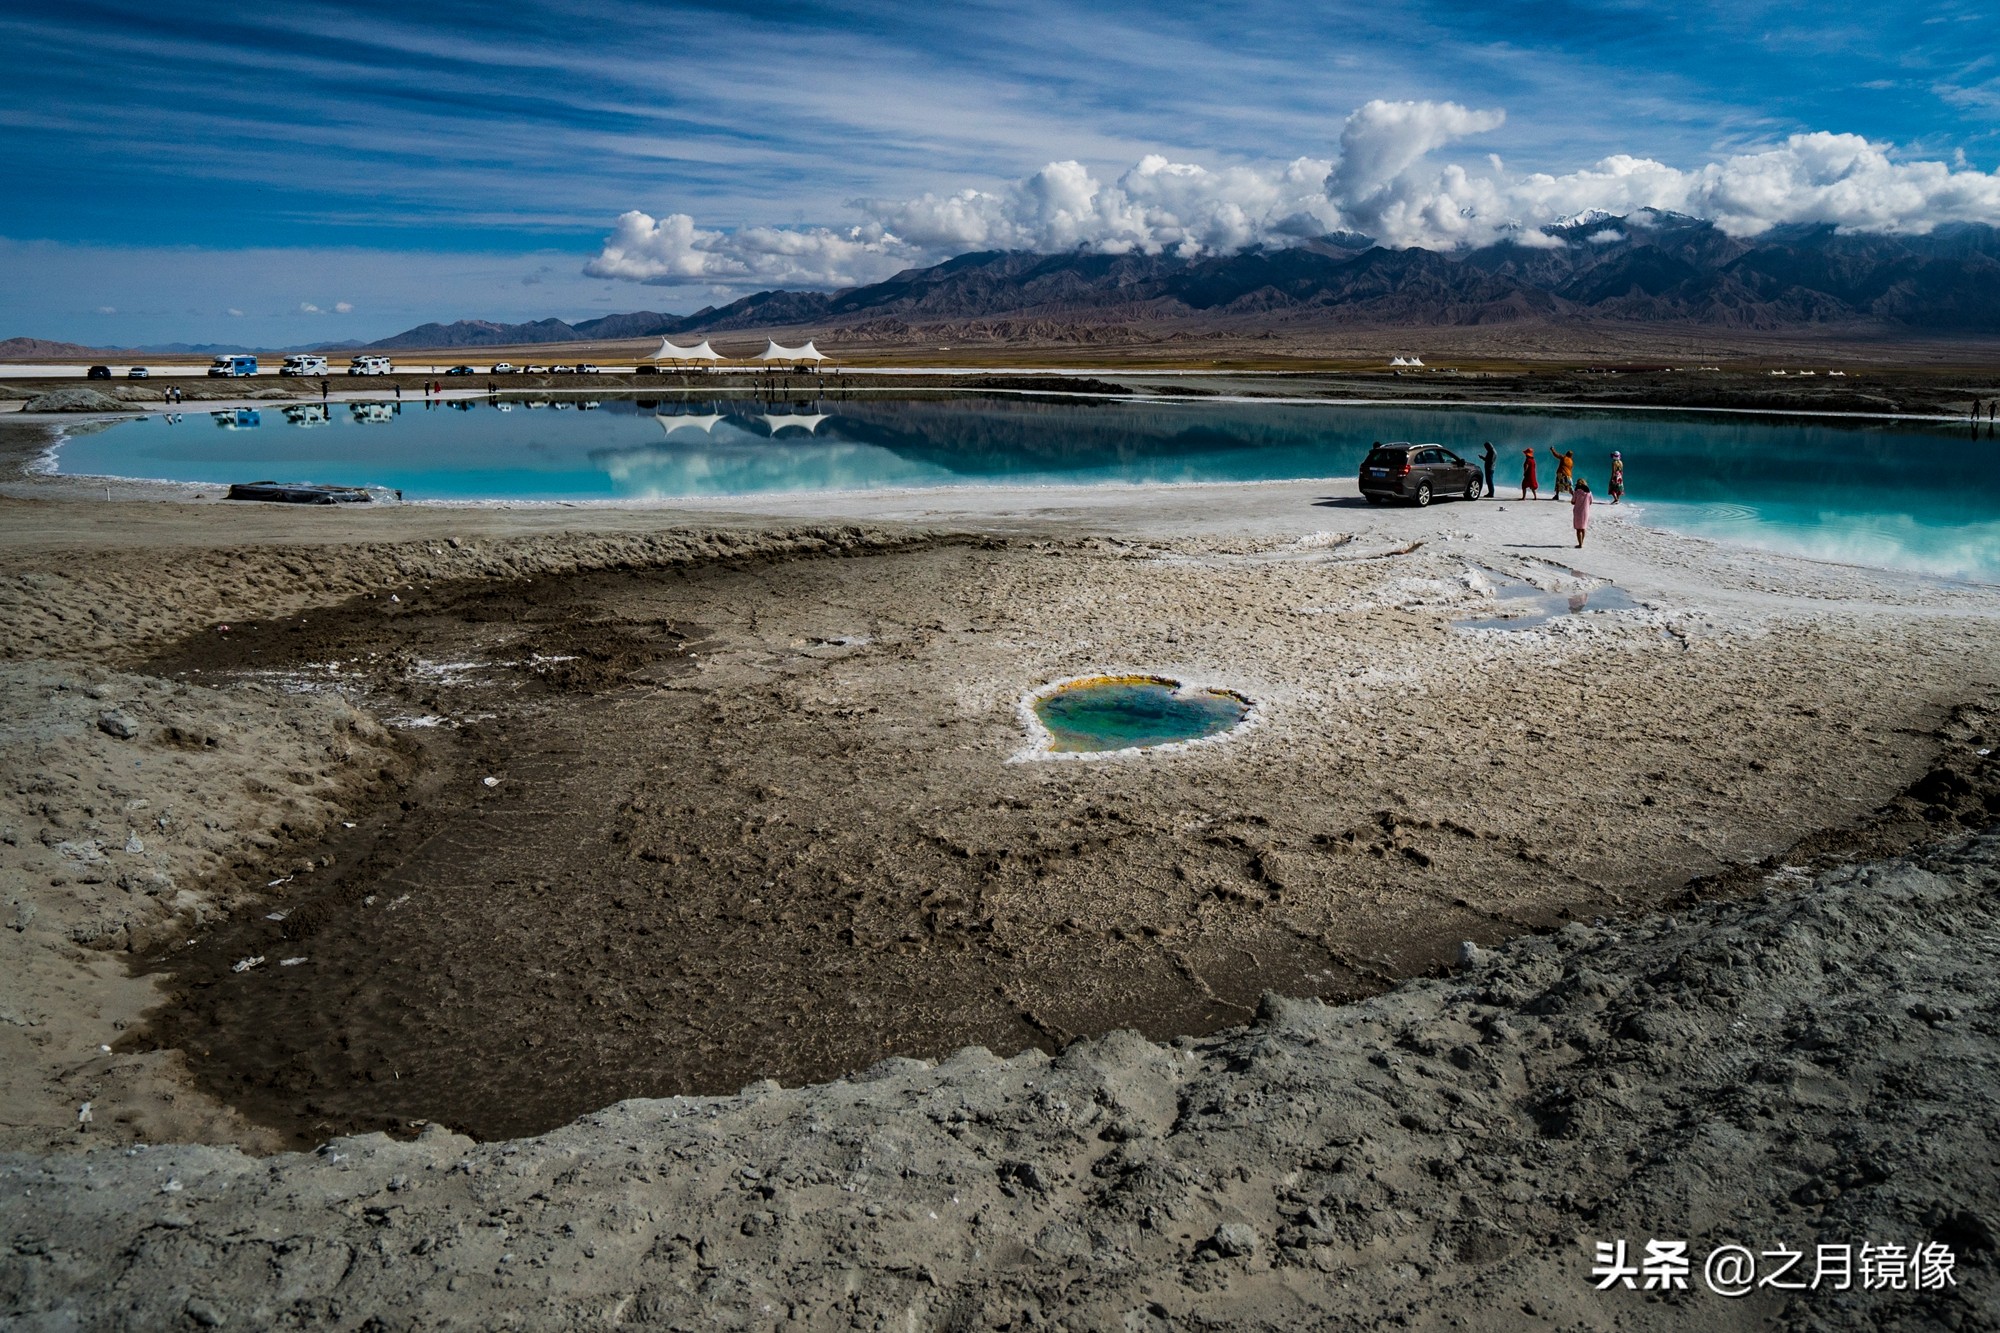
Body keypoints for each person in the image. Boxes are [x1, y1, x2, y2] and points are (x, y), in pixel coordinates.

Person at [1572, 477, 1593, 548]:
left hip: (1577, 512)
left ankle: (1580, 544)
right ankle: (1582, 542)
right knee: (1583, 528)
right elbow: (1591, 502)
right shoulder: (1589, 493)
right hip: (1586, 511)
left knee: (1578, 529)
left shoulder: (1576, 492)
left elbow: (1573, 502)